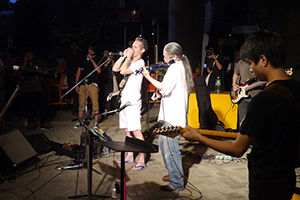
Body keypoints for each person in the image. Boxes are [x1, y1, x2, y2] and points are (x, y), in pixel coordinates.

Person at [182, 31, 300, 200]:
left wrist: (199, 137)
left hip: (265, 182)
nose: (251, 69)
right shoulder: (296, 89)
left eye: (252, 63)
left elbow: (237, 148)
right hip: (287, 178)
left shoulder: (264, 100)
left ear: (263, 60)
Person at [142, 42, 194, 191]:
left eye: (165, 56)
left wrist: (148, 77)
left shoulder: (175, 68)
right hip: (171, 115)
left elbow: (164, 87)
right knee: (164, 146)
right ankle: (173, 174)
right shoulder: (179, 67)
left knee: (171, 149)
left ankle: (177, 182)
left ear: (174, 56)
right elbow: (169, 89)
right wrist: (159, 93)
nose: (163, 58)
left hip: (174, 116)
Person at [112, 37, 148, 172]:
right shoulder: (130, 61)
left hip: (133, 101)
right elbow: (116, 68)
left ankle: (142, 160)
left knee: (136, 131)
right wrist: (123, 57)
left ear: (142, 50)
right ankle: (130, 155)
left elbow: (123, 71)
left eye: (135, 47)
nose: (132, 49)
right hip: (124, 100)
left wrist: (127, 58)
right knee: (127, 130)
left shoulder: (140, 62)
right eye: (132, 46)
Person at [22, 50, 53, 131]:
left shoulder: (38, 63)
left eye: (30, 54)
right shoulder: (24, 64)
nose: (29, 56)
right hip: (28, 88)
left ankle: (43, 123)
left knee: (41, 106)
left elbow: (42, 73)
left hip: (38, 88)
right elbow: (22, 72)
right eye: (27, 54)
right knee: (30, 107)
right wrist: (25, 61)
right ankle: (31, 123)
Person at [74, 44, 101, 130]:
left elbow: (99, 70)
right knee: (81, 103)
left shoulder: (97, 59)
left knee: (95, 104)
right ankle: (80, 121)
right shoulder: (83, 59)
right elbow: (79, 71)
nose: (90, 51)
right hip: (83, 84)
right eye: (89, 49)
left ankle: (96, 123)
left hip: (93, 84)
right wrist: (76, 83)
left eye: (92, 50)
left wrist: (92, 60)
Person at [232, 59, 264, 130]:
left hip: (257, 96)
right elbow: (236, 73)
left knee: (257, 121)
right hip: (243, 97)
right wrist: (234, 84)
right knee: (242, 122)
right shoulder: (240, 62)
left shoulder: (259, 61)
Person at [58, 40, 84, 116]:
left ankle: (75, 109)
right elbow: (63, 62)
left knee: (77, 93)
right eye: (73, 45)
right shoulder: (68, 53)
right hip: (70, 73)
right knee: (72, 89)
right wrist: (58, 70)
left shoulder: (80, 53)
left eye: (76, 45)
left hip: (79, 73)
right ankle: (67, 97)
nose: (74, 47)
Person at [98, 49, 115, 121]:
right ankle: (102, 109)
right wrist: (108, 62)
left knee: (109, 95)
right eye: (105, 53)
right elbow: (102, 68)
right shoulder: (102, 60)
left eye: (107, 53)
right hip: (103, 79)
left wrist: (112, 60)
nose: (106, 54)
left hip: (109, 79)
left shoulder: (111, 60)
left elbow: (114, 68)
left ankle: (106, 111)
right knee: (103, 95)